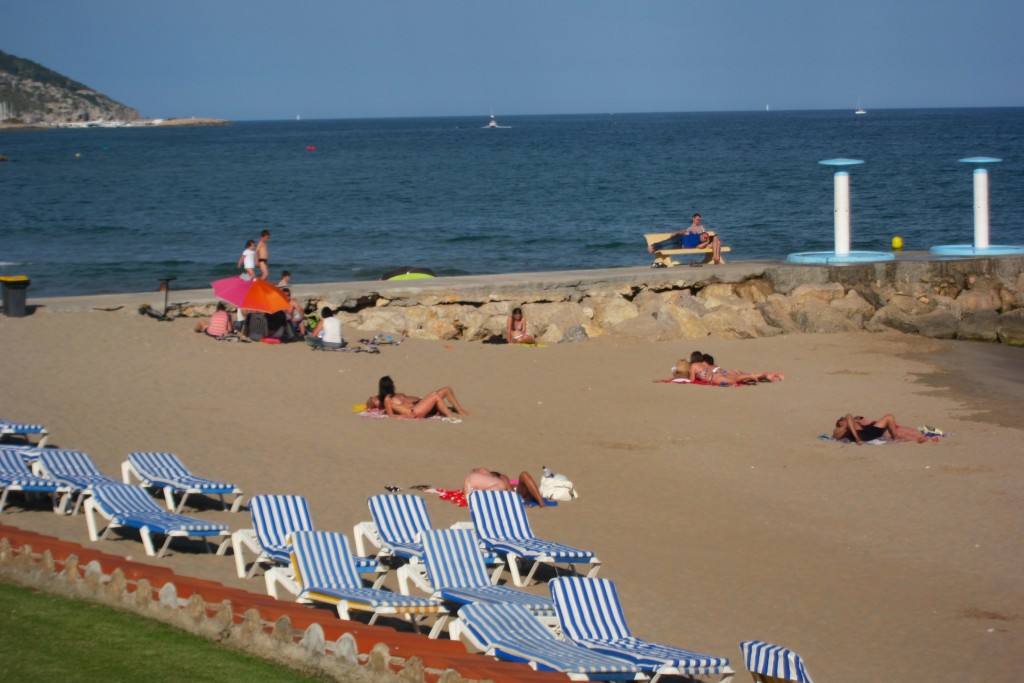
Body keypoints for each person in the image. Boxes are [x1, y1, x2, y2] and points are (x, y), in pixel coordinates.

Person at [370, 375, 469, 419]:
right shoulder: (387, 399)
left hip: (417, 406)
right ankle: (450, 416)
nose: (393, 385)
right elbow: (390, 415)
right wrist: (405, 416)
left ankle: (460, 411)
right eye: (392, 384)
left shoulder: (395, 395)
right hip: (414, 412)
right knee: (435, 396)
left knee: (446, 389)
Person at [647, 213, 726, 265]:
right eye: (704, 235)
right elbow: (685, 232)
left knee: (667, 247)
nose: (705, 237)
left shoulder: (700, 241)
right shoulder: (693, 231)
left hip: (681, 246)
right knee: (667, 242)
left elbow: (700, 245)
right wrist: (677, 232)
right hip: (680, 238)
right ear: (693, 219)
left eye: (706, 237)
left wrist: (706, 242)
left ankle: (654, 249)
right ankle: (653, 246)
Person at [464, 467, 546, 507]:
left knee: (523, 474)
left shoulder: (503, 478)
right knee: (524, 474)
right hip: (519, 497)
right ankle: (540, 501)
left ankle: (541, 502)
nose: (492, 477)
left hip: (517, 496)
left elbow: (511, 493)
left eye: (493, 476)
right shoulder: (495, 486)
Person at [833, 414, 928, 445]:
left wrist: (859, 421)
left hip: (870, 430)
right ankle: (915, 438)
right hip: (862, 435)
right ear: (841, 422)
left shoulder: (855, 423)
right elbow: (836, 436)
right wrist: (847, 427)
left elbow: (864, 422)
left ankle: (897, 437)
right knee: (849, 414)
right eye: (844, 420)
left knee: (889, 416)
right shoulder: (840, 428)